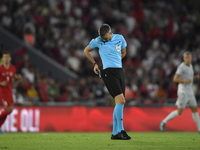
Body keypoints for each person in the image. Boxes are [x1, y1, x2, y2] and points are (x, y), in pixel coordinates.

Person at [84, 24, 131, 140]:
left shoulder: (120, 38)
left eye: (105, 37)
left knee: (119, 102)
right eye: (102, 38)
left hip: (120, 71)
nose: (104, 40)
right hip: (108, 72)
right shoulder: (97, 40)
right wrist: (94, 64)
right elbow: (86, 50)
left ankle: (115, 133)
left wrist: (115, 58)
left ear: (110, 33)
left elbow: (124, 53)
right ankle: (121, 130)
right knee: (121, 100)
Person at [160, 51, 200, 133]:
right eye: (186, 58)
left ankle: (199, 129)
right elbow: (175, 79)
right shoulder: (182, 67)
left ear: (191, 58)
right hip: (183, 91)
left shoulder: (190, 66)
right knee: (179, 112)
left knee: (195, 109)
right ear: (183, 58)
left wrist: (195, 77)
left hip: (190, 90)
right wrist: (185, 80)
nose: (188, 59)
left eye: (189, 58)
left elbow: (189, 77)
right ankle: (164, 121)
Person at [0, 50, 22, 134]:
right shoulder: (0, 68)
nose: (5, 59)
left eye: (7, 57)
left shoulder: (13, 68)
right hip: (2, 92)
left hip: (9, 91)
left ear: (10, 59)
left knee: (7, 110)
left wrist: (17, 78)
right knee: (9, 109)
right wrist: (1, 83)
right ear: (2, 59)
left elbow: (13, 78)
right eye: (4, 57)